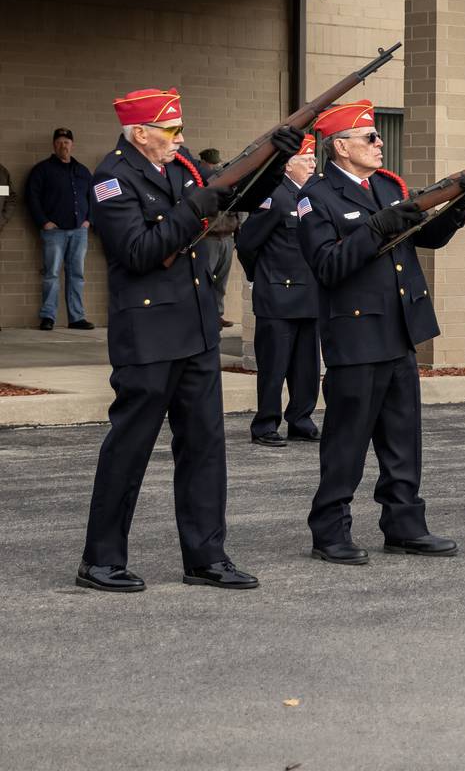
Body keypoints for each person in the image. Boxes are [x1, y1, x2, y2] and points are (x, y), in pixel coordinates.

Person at [76, 86, 301, 592]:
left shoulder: (180, 169)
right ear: (139, 134)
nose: (180, 139)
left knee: (204, 446)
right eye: (170, 130)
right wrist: (194, 206)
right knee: (130, 447)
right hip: (149, 332)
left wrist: (274, 162)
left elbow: (236, 197)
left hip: (197, 328)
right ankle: (101, 559)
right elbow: (138, 251)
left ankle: (206, 556)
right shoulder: (112, 178)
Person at [298, 100, 465, 565]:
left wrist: (459, 202)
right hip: (356, 336)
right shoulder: (316, 197)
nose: (380, 143)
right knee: (347, 441)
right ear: (340, 147)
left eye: (378, 136)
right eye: (370, 137)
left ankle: (404, 525)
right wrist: (374, 228)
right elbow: (328, 265)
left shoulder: (386, 186)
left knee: (403, 439)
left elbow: (427, 237)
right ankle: (329, 531)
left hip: (399, 330)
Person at [236, 134, 321, 448]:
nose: (313, 163)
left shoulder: (310, 197)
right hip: (278, 296)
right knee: (274, 367)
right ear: (288, 164)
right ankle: (265, 425)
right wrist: (263, 276)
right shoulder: (275, 196)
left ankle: (301, 420)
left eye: (313, 157)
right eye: (306, 158)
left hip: (310, 295)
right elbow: (247, 243)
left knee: (307, 367)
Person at [26, 127, 94, 330]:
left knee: (77, 275)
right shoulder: (42, 170)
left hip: (79, 231)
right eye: (59, 142)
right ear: (54, 145)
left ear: (72, 145)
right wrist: (43, 222)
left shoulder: (82, 171)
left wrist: (89, 220)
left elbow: (94, 198)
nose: (63, 145)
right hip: (54, 232)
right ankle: (48, 317)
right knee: (52, 274)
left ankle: (76, 318)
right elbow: (32, 198)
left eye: (66, 142)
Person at [197, 147, 241, 327]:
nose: (215, 168)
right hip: (208, 238)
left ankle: (216, 314)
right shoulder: (200, 181)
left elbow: (237, 210)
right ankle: (202, 316)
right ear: (203, 164)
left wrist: (238, 234)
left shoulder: (228, 182)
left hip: (227, 237)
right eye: (212, 165)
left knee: (220, 281)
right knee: (205, 279)